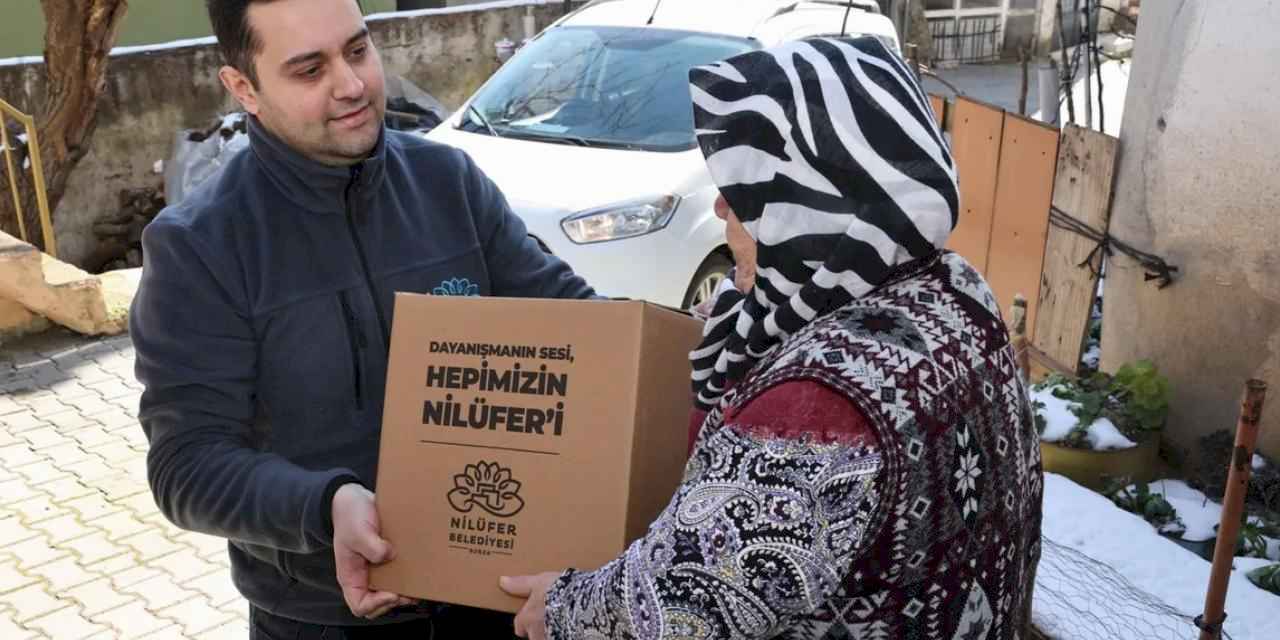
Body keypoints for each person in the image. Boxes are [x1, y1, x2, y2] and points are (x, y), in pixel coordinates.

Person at [499, 36, 1043, 640]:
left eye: (750, 189)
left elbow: (692, 602)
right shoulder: (955, 287)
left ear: (812, 196)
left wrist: (567, 606)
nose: (726, 211)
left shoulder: (817, 407)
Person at [130, 0, 596, 637]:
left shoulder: (448, 182)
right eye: (308, 69)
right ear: (245, 89)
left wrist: (700, 340)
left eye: (357, 50)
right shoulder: (199, 246)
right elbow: (187, 466)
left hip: (499, 600)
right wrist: (326, 505)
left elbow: (578, 325)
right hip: (324, 618)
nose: (351, 85)